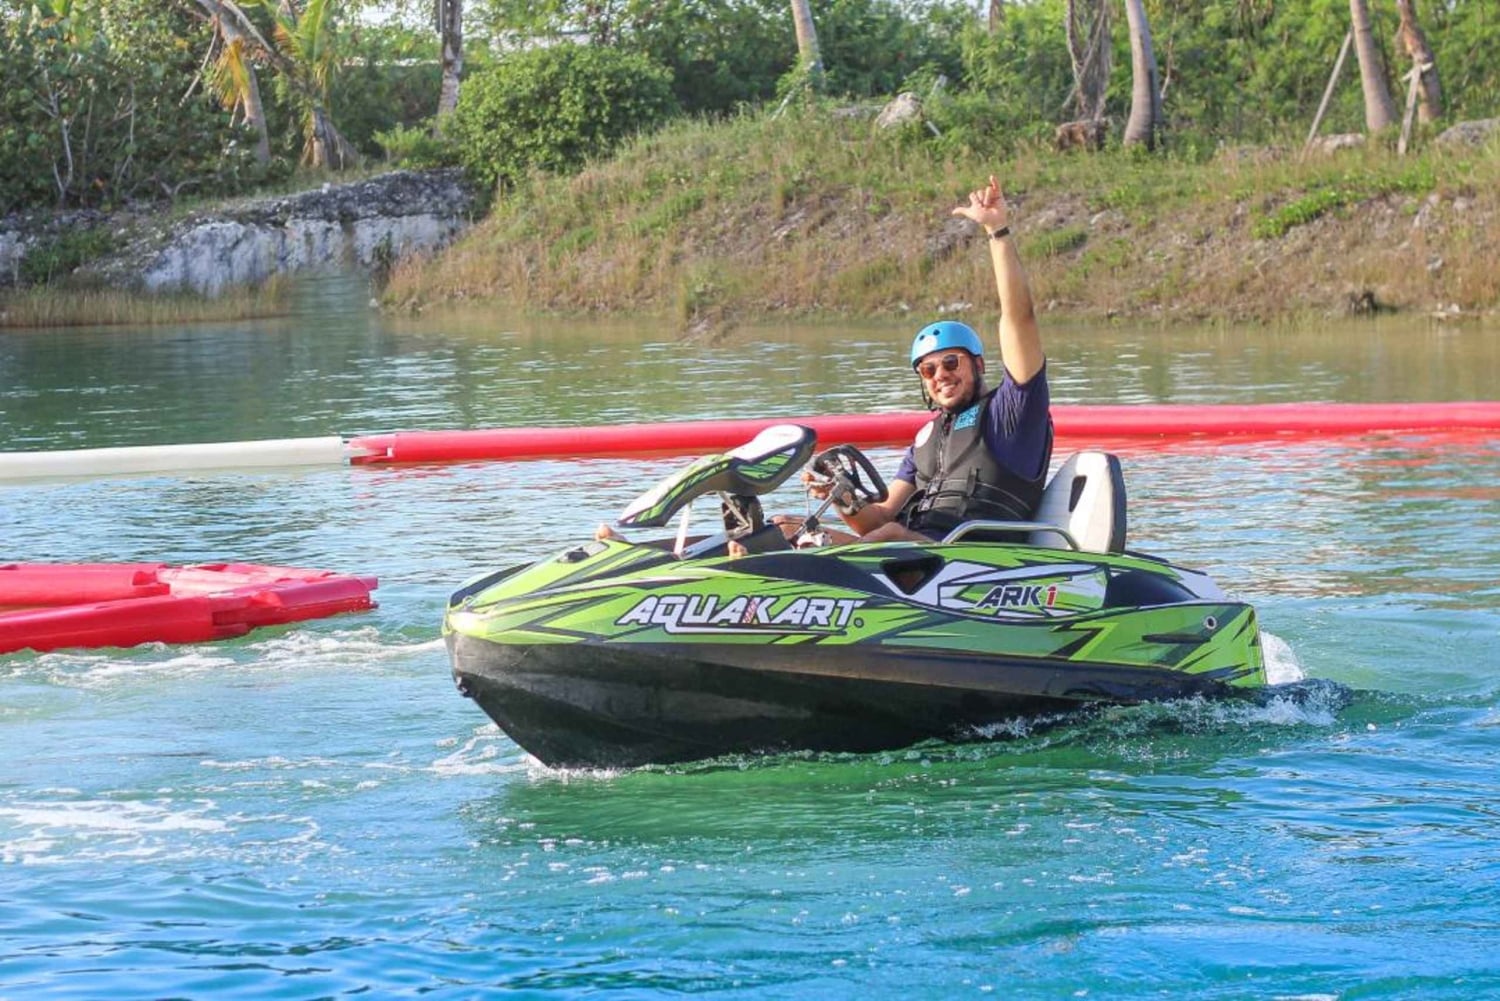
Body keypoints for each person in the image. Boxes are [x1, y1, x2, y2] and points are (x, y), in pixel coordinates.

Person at [777, 173, 1052, 547]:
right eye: (928, 369)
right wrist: (840, 495)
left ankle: (815, 565)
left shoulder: (1012, 413)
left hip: (976, 558)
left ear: (978, 365)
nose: (941, 375)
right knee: (785, 528)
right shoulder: (927, 439)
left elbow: (1019, 318)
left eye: (951, 363)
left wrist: (997, 231)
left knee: (890, 536)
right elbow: (877, 521)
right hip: (909, 555)